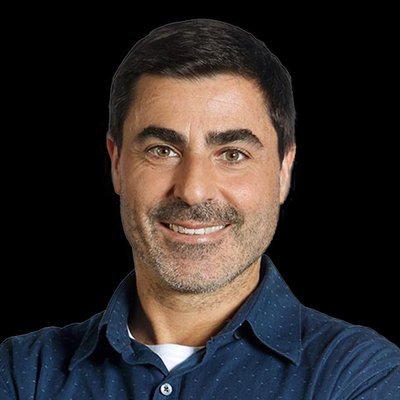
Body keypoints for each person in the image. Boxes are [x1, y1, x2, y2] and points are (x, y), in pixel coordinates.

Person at [1, 19, 399, 400]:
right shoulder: (22, 370)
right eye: (162, 150)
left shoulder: (359, 374)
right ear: (116, 163)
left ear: (284, 171)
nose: (193, 191)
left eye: (232, 154)